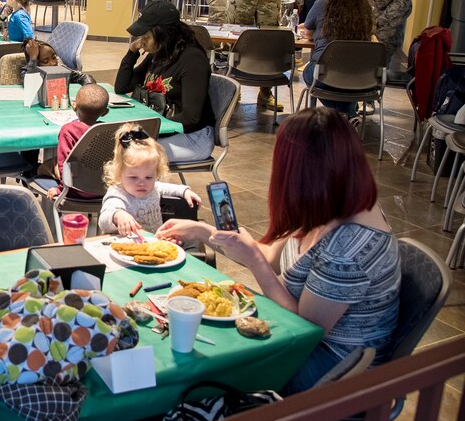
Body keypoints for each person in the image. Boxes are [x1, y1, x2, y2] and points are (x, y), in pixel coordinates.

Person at [157, 107, 400, 394]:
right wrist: (204, 232)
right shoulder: (329, 201)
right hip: (303, 341)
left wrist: (254, 260)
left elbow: (308, 326)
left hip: (334, 369)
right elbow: (271, 258)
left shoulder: (346, 247)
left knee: (201, 375)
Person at [115, 1, 214, 163]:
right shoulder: (158, 54)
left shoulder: (192, 60)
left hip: (193, 138)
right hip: (164, 129)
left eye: (146, 37)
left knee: (128, 153)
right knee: (116, 145)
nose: (142, 42)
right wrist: (132, 52)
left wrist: (147, 131)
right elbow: (122, 87)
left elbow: (191, 118)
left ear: (164, 34)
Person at [98, 123, 201, 236]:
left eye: (149, 177)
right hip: (127, 246)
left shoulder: (153, 187)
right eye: (133, 177)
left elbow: (165, 187)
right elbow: (103, 220)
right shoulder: (118, 195)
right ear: (119, 174)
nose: (142, 183)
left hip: (155, 243)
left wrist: (184, 191)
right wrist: (118, 215)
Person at [299, 0, 374, 118]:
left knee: (314, 73)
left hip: (325, 74)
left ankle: (340, 114)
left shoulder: (322, 4)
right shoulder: (366, 8)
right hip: (360, 77)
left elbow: (307, 32)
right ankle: (345, 114)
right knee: (344, 85)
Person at [44, 82, 109, 200]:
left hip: (76, 191)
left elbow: (64, 165)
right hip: (104, 189)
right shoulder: (105, 131)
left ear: (74, 106)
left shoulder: (68, 131)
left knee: (46, 166)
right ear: (105, 112)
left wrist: (61, 190)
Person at [361, 0, 413, 71]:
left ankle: (378, 81)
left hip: (391, 17)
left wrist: (378, 22)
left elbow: (402, 3)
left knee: (383, 52)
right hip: (370, 15)